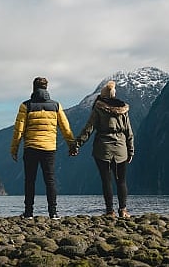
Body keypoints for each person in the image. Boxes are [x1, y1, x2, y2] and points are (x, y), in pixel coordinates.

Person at [10, 77, 75, 219]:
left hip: (31, 147)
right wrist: (72, 145)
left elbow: (18, 130)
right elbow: (65, 128)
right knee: (50, 180)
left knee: (30, 180)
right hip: (49, 148)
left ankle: (28, 212)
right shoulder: (56, 106)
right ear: (46, 88)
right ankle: (53, 212)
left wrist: (14, 149)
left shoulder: (26, 106)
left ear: (33, 88)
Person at [74, 80, 134, 218]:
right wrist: (131, 150)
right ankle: (123, 210)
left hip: (102, 148)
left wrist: (76, 145)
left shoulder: (98, 108)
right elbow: (128, 132)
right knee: (121, 181)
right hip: (121, 148)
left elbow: (88, 129)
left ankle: (109, 211)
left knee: (106, 180)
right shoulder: (123, 110)